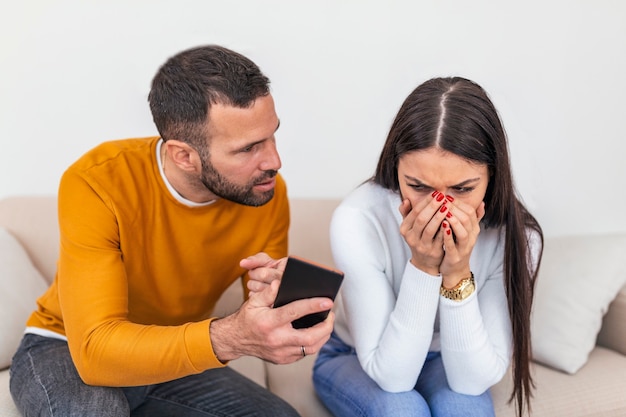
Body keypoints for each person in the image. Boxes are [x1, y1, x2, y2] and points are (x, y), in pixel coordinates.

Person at [9, 44, 335, 417]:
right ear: (184, 156)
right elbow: (95, 353)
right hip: (65, 348)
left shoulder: (264, 192)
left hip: (172, 359)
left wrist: (285, 313)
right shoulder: (97, 182)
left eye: (272, 135)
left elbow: (262, 317)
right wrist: (231, 336)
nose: (274, 161)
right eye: (248, 148)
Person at [311, 77, 543, 417]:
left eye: (462, 188)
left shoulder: (519, 237)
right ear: (396, 168)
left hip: (446, 360)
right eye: (418, 186)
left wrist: (457, 273)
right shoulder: (358, 219)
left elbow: (471, 382)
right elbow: (392, 377)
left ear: (492, 177)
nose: (440, 207)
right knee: (402, 410)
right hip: (352, 356)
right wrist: (423, 265)